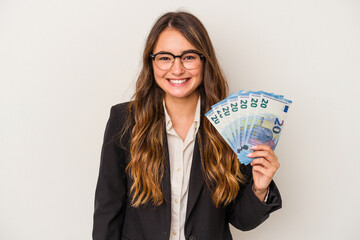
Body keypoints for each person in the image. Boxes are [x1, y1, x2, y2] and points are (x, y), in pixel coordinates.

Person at [93, 11, 282, 240]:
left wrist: (259, 189)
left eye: (189, 57)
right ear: (151, 62)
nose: (177, 69)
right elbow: (108, 211)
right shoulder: (124, 119)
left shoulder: (231, 125)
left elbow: (241, 220)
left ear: (204, 61)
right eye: (165, 57)